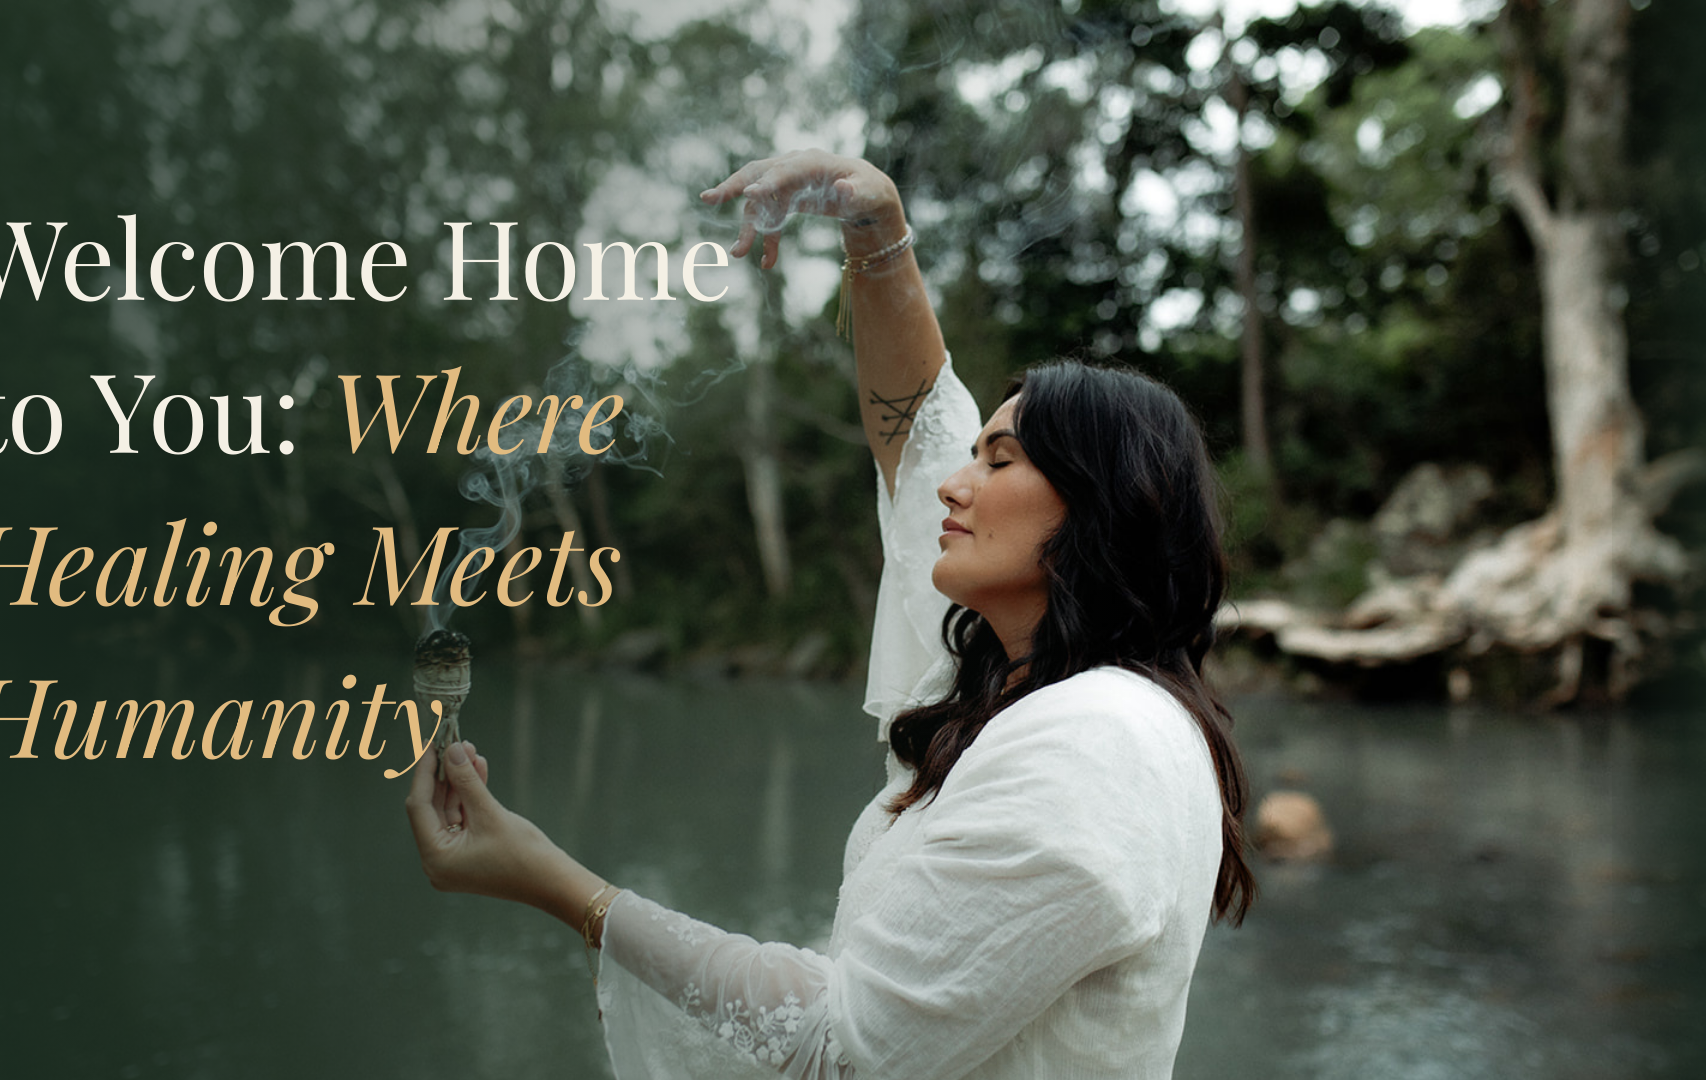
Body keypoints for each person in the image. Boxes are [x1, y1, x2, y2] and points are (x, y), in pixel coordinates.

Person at [404, 150, 1256, 1080]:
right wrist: (876, 230)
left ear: (1102, 503)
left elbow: (843, 1045)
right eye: (974, 454)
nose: (956, 484)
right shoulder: (1015, 688)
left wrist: (556, 884)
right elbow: (918, 432)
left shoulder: (1095, 740)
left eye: (1000, 460)